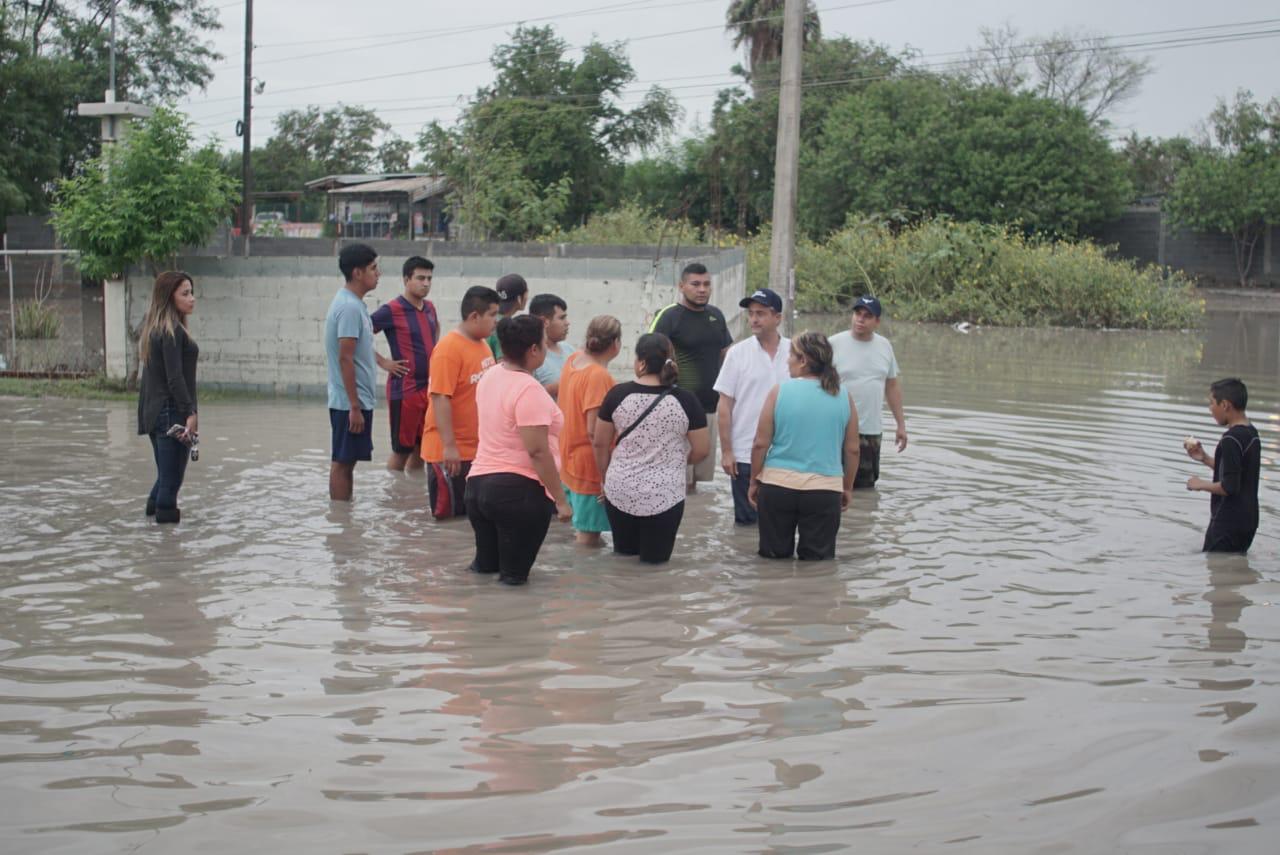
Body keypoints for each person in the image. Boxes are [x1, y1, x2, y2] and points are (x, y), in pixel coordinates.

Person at [467, 315, 572, 585]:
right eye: (543, 343)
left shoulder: (490, 375)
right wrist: (560, 500)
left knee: (484, 572)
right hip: (517, 492)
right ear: (534, 349)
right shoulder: (529, 390)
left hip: (477, 490)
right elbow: (537, 452)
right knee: (514, 583)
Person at [592, 333, 710, 564]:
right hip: (665, 494)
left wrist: (606, 478)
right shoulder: (686, 400)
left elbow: (600, 443)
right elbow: (702, 450)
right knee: (655, 567)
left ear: (640, 362)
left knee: (623, 562)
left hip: (620, 488)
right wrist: (674, 462)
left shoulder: (617, 395)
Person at [749, 332, 860, 561]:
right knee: (817, 566)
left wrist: (753, 480)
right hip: (825, 491)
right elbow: (853, 449)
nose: (787, 359)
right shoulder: (843, 396)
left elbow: (760, 444)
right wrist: (847, 487)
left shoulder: (779, 391)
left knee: (772, 562)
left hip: (777, 487)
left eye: (791, 354)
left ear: (803, 361)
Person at [649, 262, 732, 491]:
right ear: (681, 286)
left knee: (696, 482)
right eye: (695, 284)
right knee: (676, 479)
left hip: (709, 407)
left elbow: (727, 354)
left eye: (706, 284)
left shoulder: (716, 316)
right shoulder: (669, 316)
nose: (702, 289)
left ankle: (694, 526)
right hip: (677, 408)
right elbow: (649, 355)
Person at [420, 286, 499, 519]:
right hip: (450, 453)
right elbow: (440, 397)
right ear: (475, 316)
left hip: (476, 449)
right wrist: (450, 446)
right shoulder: (448, 349)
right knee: (450, 521)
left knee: (471, 522)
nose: (496, 321)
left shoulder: (483, 345)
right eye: (492, 315)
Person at [713, 287, 790, 525]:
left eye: (761, 313)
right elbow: (724, 405)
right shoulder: (737, 353)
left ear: (778, 318)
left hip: (786, 453)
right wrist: (727, 451)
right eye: (751, 313)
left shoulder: (795, 352)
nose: (754, 319)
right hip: (745, 454)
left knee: (780, 522)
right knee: (747, 524)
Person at [137, 271, 199, 524]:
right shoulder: (171, 331)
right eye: (185, 294)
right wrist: (190, 413)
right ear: (169, 297)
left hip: (156, 413)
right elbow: (175, 378)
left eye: (191, 292)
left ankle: (151, 530)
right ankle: (168, 550)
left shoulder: (157, 329)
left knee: (165, 476)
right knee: (171, 481)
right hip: (171, 412)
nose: (192, 299)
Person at [829, 295, 907, 488]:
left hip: (870, 431)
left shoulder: (885, 346)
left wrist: (901, 425)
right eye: (857, 313)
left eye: (867, 316)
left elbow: (891, 386)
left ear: (877, 321)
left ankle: (863, 519)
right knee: (831, 485)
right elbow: (816, 385)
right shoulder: (833, 344)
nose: (860, 319)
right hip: (836, 430)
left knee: (865, 490)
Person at [370, 256, 440, 473]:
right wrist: (383, 362)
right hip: (405, 389)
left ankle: (411, 498)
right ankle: (392, 498)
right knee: (401, 450)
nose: (426, 283)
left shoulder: (429, 307)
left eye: (429, 278)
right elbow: (357, 336)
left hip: (427, 389)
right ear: (406, 279)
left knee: (422, 449)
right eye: (420, 278)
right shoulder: (391, 309)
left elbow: (435, 331)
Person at [558, 315, 622, 546]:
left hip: (569, 460)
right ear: (616, 344)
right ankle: (583, 581)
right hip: (589, 468)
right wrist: (605, 477)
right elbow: (595, 433)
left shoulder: (573, 360)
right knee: (589, 536)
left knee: (583, 528)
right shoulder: (598, 376)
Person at [325, 243, 381, 501]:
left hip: (355, 401)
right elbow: (345, 358)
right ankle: (340, 519)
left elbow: (360, 352)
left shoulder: (355, 304)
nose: (378, 273)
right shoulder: (348, 307)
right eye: (373, 268)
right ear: (357, 273)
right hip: (349, 403)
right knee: (343, 462)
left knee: (348, 462)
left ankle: (344, 521)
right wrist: (354, 406)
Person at [1185, 378, 1261, 553]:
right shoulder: (1251, 433)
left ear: (1225, 405)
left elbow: (1229, 487)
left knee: (1216, 571)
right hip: (1248, 520)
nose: (1210, 409)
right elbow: (1236, 474)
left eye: (1212, 403)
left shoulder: (1230, 439)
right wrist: (1204, 458)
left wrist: (1199, 485)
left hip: (1228, 521)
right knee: (1234, 571)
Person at [529, 293, 574, 400]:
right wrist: (554, 388)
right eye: (562, 318)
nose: (567, 323)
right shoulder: (531, 357)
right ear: (544, 322)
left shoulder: (570, 350)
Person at [486, 273, 528, 359]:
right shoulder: (505, 327)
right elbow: (504, 363)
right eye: (526, 293)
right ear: (519, 299)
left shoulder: (489, 319)